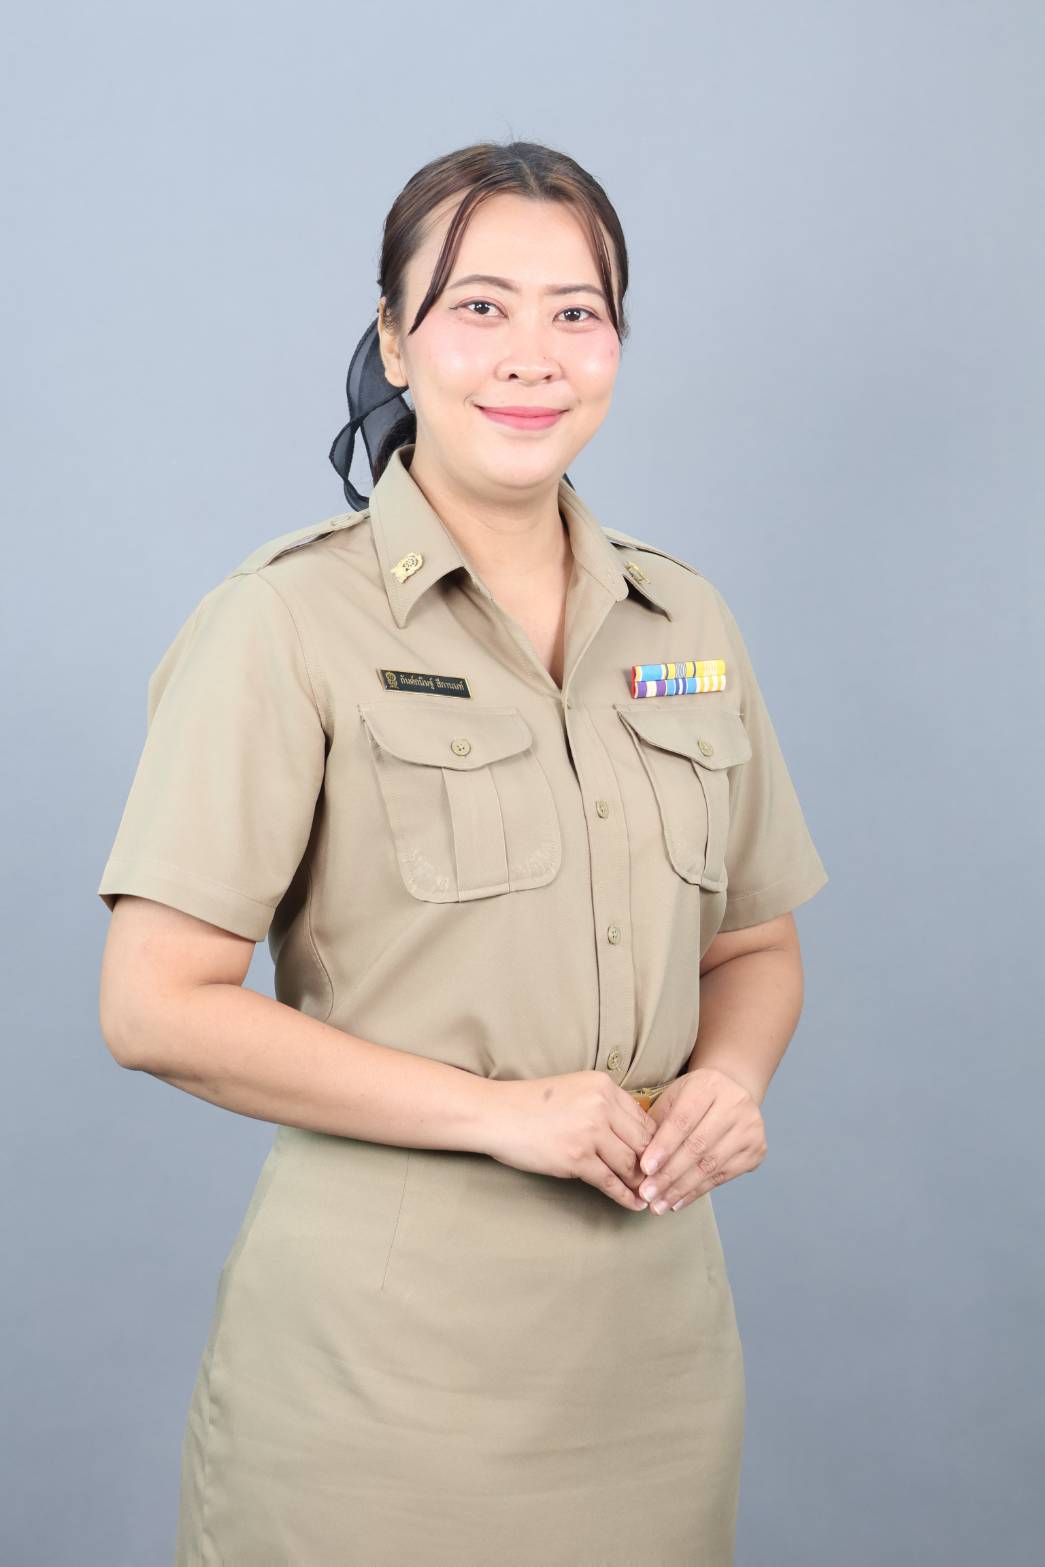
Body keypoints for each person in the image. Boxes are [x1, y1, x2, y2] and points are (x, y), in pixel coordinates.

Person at [96, 138, 829, 1566]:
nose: (531, 355)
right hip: (383, 1374)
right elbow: (152, 1007)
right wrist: (501, 1114)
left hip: (654, 1363)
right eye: (478, 306)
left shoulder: (686, 624)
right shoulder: (282, 623)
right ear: (394, 339)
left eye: (577, 311)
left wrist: (732, 1082)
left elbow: (754, 942)